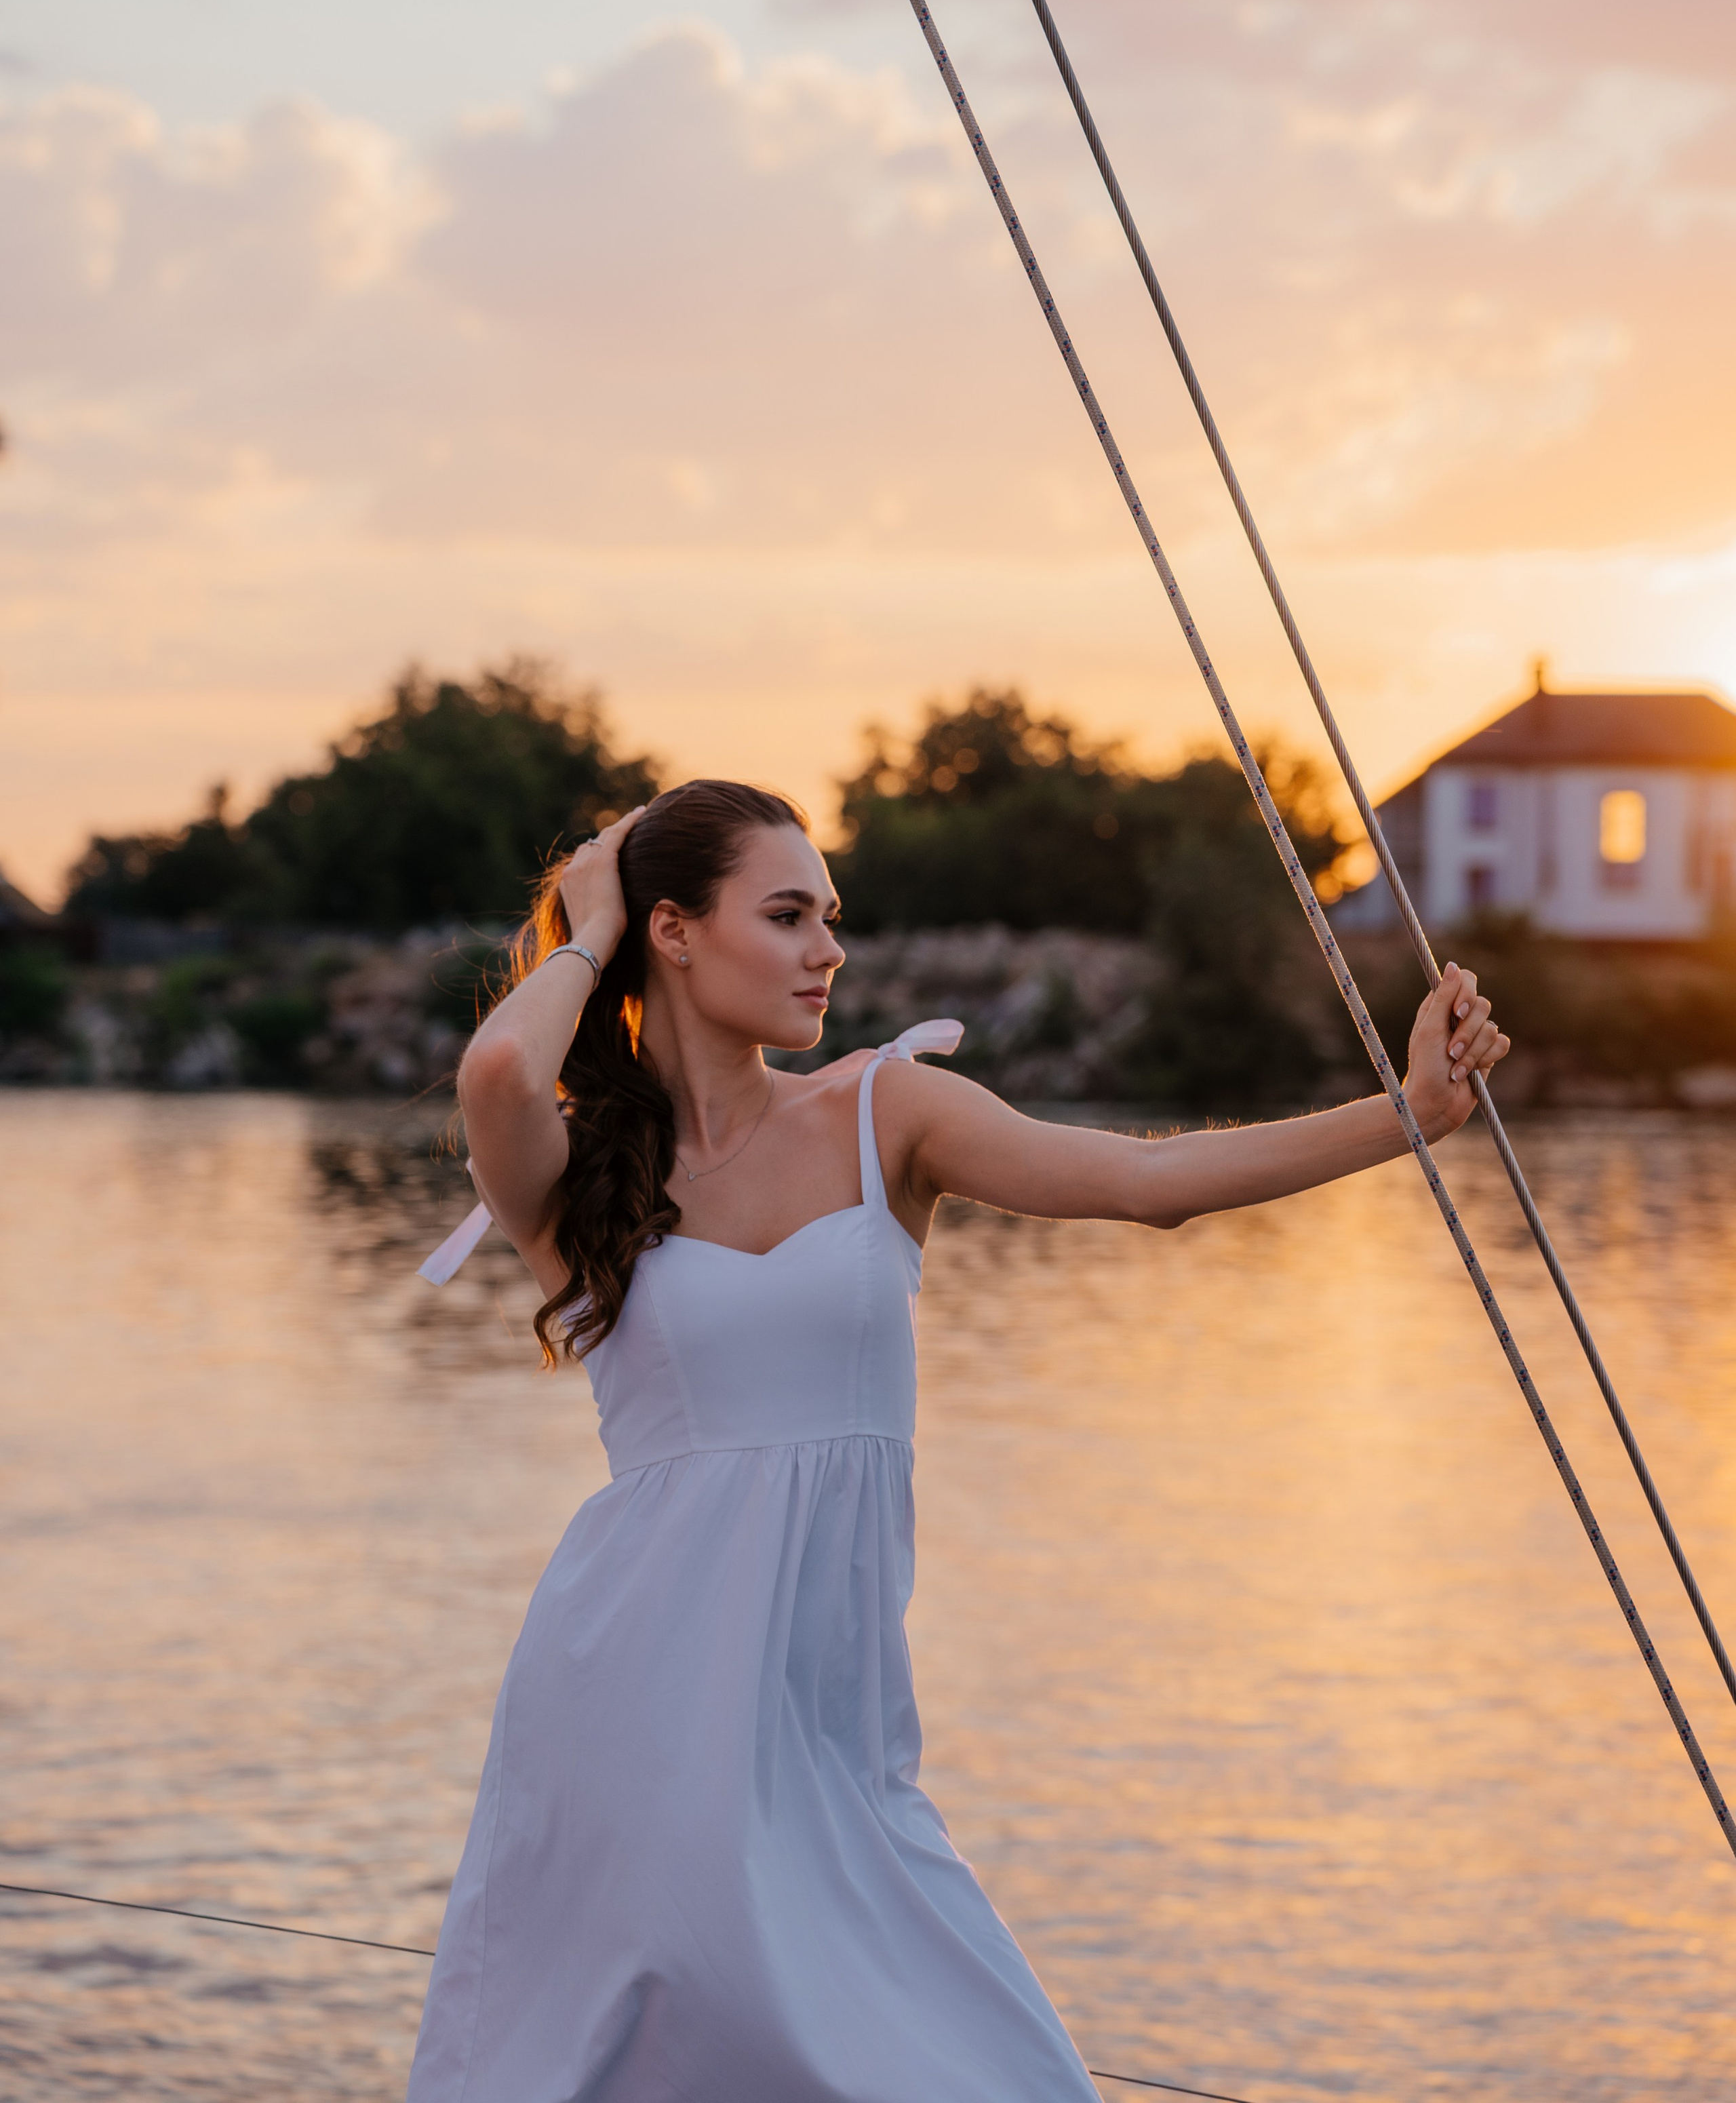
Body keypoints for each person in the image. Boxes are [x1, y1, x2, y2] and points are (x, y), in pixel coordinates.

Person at [408, 777, 1508, 2103]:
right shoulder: (578, 1175)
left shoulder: (885, 1115)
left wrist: (1411, 1115)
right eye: (786, 914)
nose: (831, 949)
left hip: (830, 1736)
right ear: (674, 932)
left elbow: (1141, 1186)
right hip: (630, 1722)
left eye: (832, 916)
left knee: (996, 2071)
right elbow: (496, 1068)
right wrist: (585, 926)